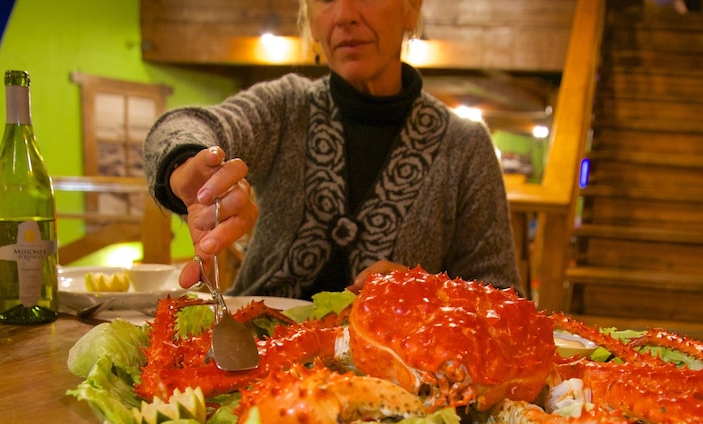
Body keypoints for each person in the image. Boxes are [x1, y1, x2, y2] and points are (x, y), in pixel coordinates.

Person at [143, 0, 521, 299]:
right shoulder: (286, 106)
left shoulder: (466, 146)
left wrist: (426, 292)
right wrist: (187, 164)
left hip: (400, 380)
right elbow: (183, 125)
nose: (344, 15)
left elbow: (504, 297)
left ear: (412, 7)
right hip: (254, 362)